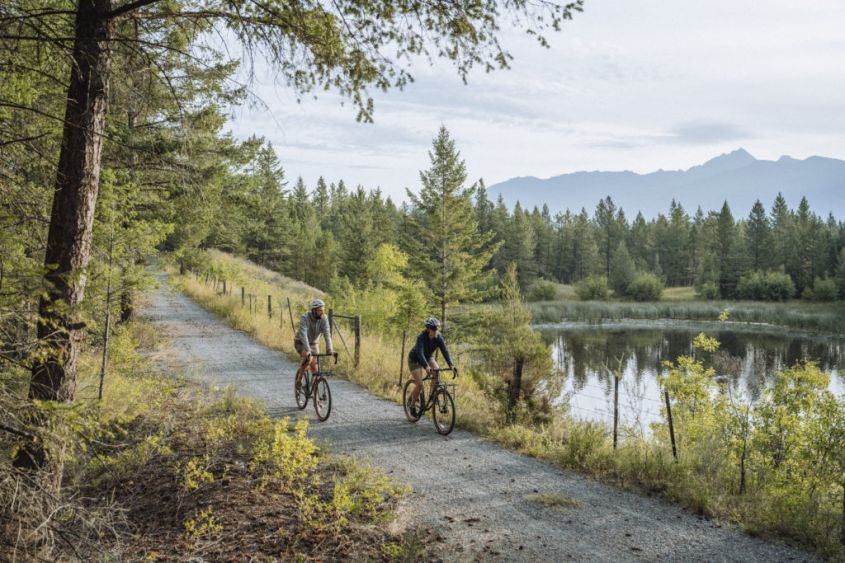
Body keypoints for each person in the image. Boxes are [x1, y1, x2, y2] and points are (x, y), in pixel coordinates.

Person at [407, 317, 458, 416]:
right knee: (420, 384)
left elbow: (445, 351)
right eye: (434, 328)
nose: (436, 331)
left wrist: (451, 365)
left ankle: (432, 394)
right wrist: (426, 366)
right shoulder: (421, 338)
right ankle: (412, 405)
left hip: (428, 357)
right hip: (415, 359)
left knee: (437, 371)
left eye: (437, 328)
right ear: (428, 329)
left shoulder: (439, 338)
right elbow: (420, 353)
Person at [294, 298, 334, 390]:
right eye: (320, 310)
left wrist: (330, 349)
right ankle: (299, 380)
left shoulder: (324, 318)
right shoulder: (305, 317)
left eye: (323, 310)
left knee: (315, 369)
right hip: (300, 342)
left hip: (314, 343)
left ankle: (314, 393)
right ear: (314, 310)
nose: (322, 312)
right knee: (309, 358)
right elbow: (303, 334)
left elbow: (327, 334)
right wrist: (308, 350)